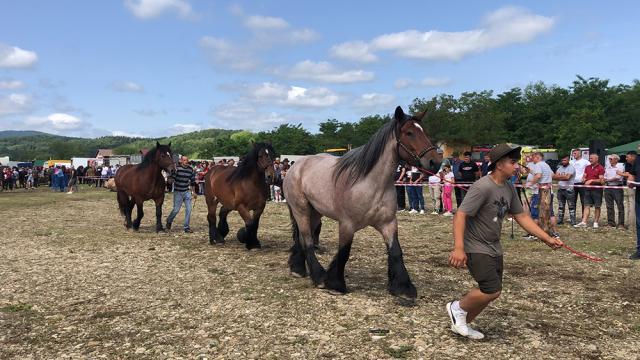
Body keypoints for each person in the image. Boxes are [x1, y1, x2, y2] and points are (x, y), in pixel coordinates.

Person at [446, 144, 563, 340]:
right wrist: (458, 248)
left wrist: (546, 238)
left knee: (493, 291)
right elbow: (460, 215)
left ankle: (461, 323)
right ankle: (456, 307)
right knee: (491, 289)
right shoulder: (482, 186)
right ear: (499, 165)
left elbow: (521, 216)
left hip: (494, 246)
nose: (517, 166)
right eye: (513, 162)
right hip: (476, 246)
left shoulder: (508, 186)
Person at [166, 155, 196, 233]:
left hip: (186, 191)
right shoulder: (177, 169)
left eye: (187, 160)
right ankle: (169, 220)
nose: (186, 162)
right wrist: (170, 180)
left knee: (189, 210)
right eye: (185, 160)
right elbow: (172, 179)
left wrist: (194, 192)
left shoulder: (190, 170)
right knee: (176, 210)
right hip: (178, 192)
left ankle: (186, 227)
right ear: (181, 161)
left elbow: (192, 182)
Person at [575, 154, 605, 228]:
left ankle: (595, 222)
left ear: (596, 159)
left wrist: (592, 180)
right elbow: (584, 176)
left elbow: (602, 181)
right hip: (587, 189)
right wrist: (583, 179)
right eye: (589, 158)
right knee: (586, 205)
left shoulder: (601, 168)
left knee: (597, 206)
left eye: (591, 158)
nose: (590, 160)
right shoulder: (587, 167)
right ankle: (584, 222)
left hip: (597, 190)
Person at [625, 145, 640, 260]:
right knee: (639, 223)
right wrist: (630, 181)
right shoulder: (637, 160)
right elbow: (632, 174)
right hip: (639, 195)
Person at [553, 155, 576, 226]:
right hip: (560, 189)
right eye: (562, 160)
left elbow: (567, 178)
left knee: (571, 206)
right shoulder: (560, 168)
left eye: (565, 160)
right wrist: (562, 177)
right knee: (560, 206)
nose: (563, 162)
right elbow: (554, 177)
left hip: (569, 189)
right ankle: (560, 220)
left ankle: (573, 221)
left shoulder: (571, 168)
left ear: (568, 160)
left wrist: (559, 177)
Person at [604, 154, 625, 228]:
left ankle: (621, 224)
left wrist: (607, 179)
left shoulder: (620, 166)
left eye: (611, 159)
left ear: (616, 159)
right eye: (609, 159)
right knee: (609, 206)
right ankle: (611, 223)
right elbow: (605, 176)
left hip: (617, 187)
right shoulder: (607, 167)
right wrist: (606, 180)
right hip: (608, 187)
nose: (609, 160)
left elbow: (618, 177)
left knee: (620, 205)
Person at [570, 149, 590, 216]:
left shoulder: (585, 162)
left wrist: (586, 179)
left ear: (580, 154)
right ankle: (572, 216)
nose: (573, 155)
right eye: (573, 153)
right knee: (572, 201)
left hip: (582, 183)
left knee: (583, 201)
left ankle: (583, 217)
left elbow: (589, 171)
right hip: (573, 183)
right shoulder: (571, 162)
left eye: (575, 153)